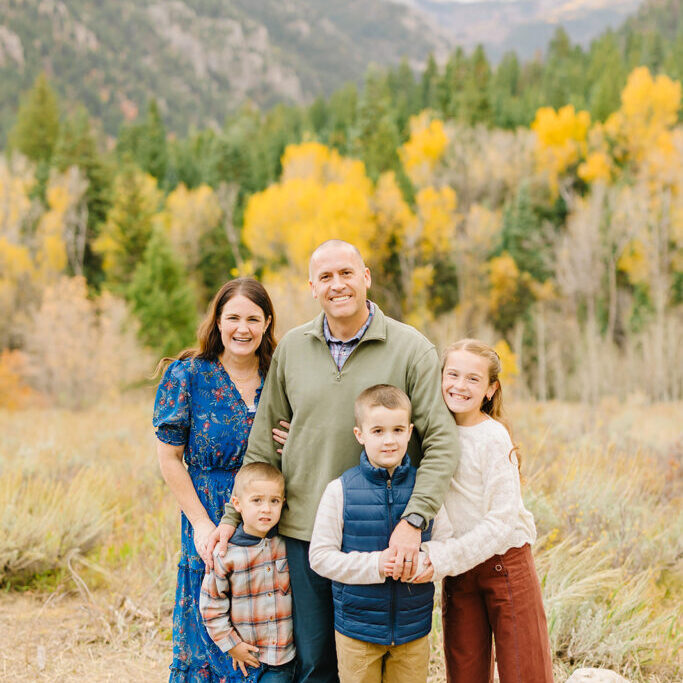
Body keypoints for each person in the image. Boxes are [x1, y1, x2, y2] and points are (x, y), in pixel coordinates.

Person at [208, 239, 460, 682]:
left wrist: (413, 521)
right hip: (303, 534)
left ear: (366, 277)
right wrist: (232, 517)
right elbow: (263, 448)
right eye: (325, 276)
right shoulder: (292, 349)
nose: (337, 284)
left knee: (380, 664)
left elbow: (441, 443)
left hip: (383, 537)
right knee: (315, 661)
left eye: (346, 273)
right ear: (311, 286)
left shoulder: (411, 348)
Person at [153, 278, 276, 682]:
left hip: (269, 518)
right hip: (207, 513)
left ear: (267, 323)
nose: (243, 328)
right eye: (233, 318)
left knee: (262, 621)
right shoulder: (187, 375)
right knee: (210, 614)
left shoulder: (279, 375)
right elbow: (170, 458)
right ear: (218, 322)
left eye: (253, 319)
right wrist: (201, 523)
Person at [419, 338, 554, 683]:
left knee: (525, 671)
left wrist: (443, 556)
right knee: (464, 672)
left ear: (490, 389)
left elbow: (502, 520)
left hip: (505, 566)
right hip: (460, 574)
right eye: (453, 375)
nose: (460, 386)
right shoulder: (431, 433)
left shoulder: (493, 437)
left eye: (473, 379)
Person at [308, 385, 452, 683]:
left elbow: (446, 545)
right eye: (378, 431)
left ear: (410, 432)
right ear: (360, 435)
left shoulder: (424, 490)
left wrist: (424, 562)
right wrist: (377, 565)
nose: (389, 440)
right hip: (357, 632)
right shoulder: (340, 490)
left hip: (413, 630)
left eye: (398, 430)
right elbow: (320, 557)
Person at [200, 462, 296, 682]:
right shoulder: (225, 553)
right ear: (237, 504)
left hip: (283, 657)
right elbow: (211, 605)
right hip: (245, 656)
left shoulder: (285, 544)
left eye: (274, 501)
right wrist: (232, 645)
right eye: (257, 500)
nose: (266, 509)